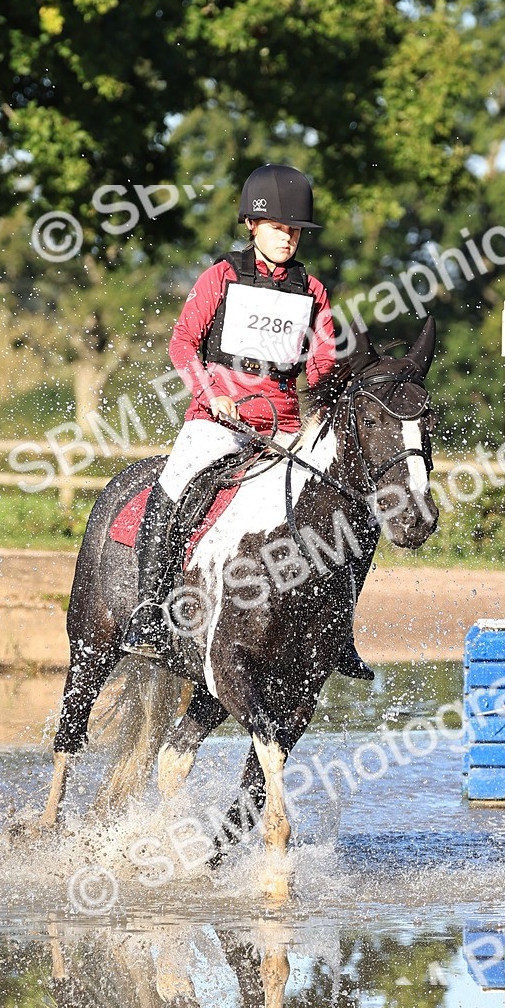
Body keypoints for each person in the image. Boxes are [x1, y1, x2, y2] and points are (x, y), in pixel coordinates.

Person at [121, 162, 374, 679]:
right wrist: (212, 394)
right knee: (173, 486)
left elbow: (319, 363)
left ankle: (338, 629)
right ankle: (148, 612)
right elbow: (182, 343)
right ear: (252, 225)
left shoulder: (312, 290)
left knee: (346, 507)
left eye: (295, 230)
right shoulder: (221, 276)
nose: (288, 238)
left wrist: (337, 368)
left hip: (284, 423)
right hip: (218, 419)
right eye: (279, 227)